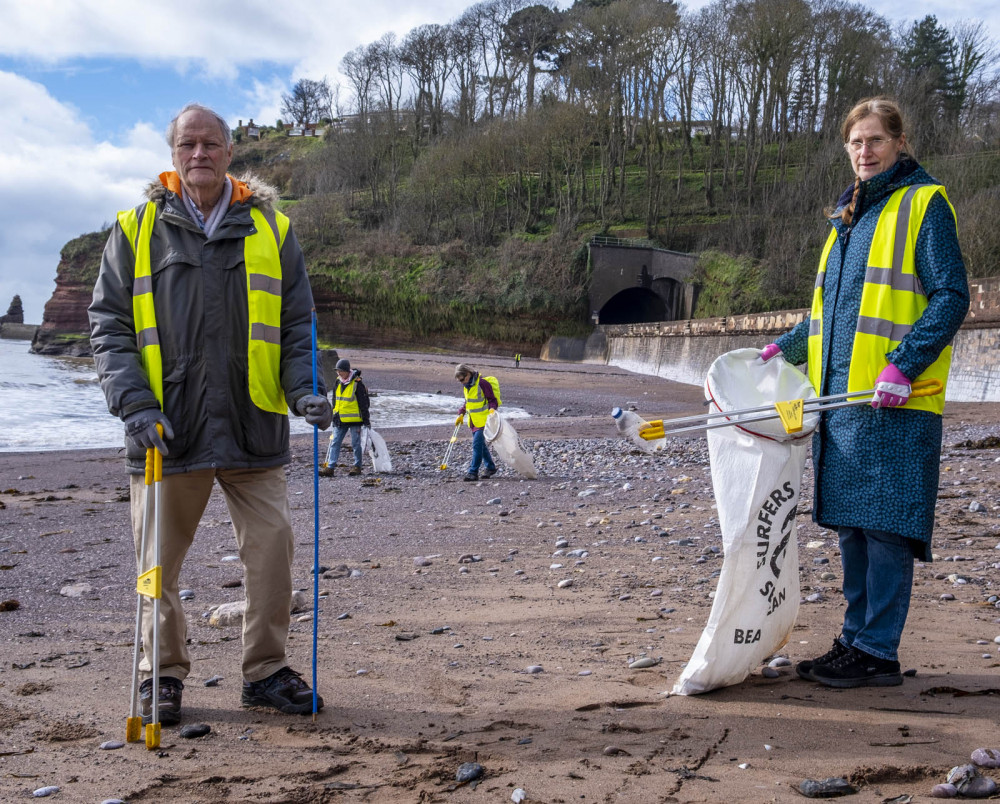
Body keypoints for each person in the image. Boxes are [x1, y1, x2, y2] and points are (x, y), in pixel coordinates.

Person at [88, 103, 333, 725]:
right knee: (156, 566)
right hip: (167, 432)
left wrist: (306, 388)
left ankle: (266, 672)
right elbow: (109, 328)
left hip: (254, 425)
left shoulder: (273, 229)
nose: (199, 154)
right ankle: (160, 675)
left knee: (273, 553)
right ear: (173, 155)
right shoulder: (135, 229)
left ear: (230, 152)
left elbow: (298, 323)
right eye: (187, 144)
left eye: (211, 144)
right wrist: (135, 406)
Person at [759, 97, 969, 688]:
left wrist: (903, 364)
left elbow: (952, 296)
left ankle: (877, 650)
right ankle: (854, 640)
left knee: (886, 527)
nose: (864, 151)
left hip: (897, 401)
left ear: (900, 143)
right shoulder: (847, 217)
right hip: (847, 405)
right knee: (853, 525)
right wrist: (782, 348)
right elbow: (831, 315)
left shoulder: (923, 204)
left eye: (876, 140)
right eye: (856, 142)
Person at [319, 358, 370, 477]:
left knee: (356, 444)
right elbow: (335, 399)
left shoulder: (357, 383)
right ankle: (330, 468)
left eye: (341, 371)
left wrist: (366, 421)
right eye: (337, 371)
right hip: (340, 418)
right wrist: (333, 414)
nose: (339, 373)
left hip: (355, 420)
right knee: (335, 442)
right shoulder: (337, 381)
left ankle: (357, 467)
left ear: (347, 371)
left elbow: (364, 403)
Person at [455, 363, 498, 481]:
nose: (462, 382)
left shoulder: (482, 383)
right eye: (460, 381)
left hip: (484, 420)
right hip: (473, 420)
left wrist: (492, 410)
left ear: (468, 373)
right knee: (481, 446)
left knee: (477, 445)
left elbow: (492, 400)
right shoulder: (467, 386)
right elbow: (468, 402)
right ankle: (490, 467)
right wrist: (461, 413)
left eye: (463, 379)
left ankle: (473, 472)